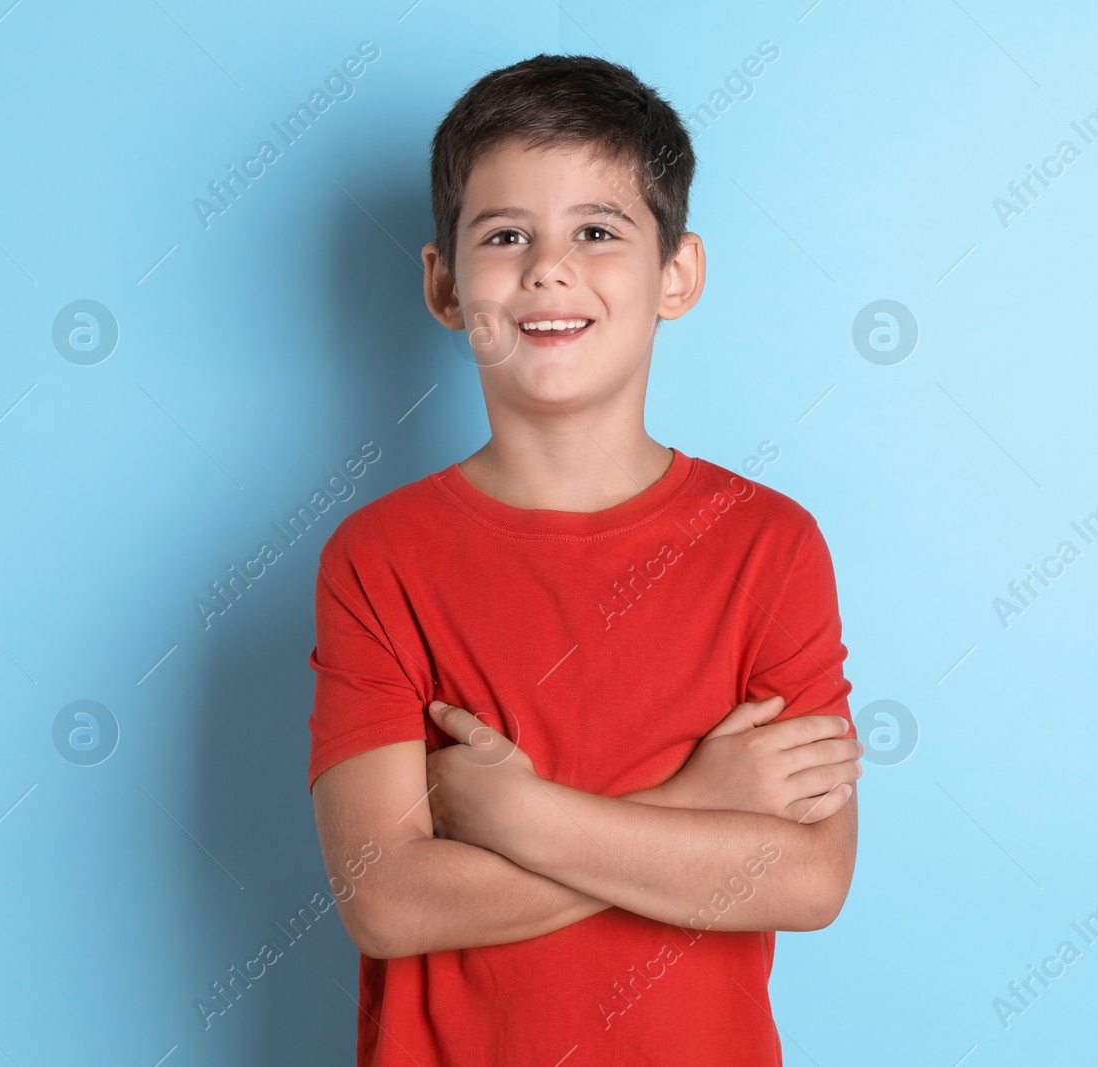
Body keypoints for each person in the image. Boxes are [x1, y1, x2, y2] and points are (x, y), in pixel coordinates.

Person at [306, 53, 861, 1067]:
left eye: (597, 232)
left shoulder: (767, 544)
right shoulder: (378, 558)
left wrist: (515, 815)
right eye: (505, 235)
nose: (548, 268)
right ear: (442, 281)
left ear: (676, 273)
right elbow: (385, 900)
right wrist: (695, 803)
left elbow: (807, 876)